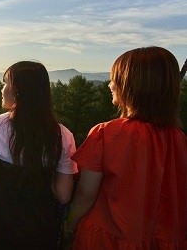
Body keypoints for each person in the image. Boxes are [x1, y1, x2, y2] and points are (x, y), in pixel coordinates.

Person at [64, 46, 187, 249]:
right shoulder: (179, 139)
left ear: (131, 85)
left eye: (115, 78)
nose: (111, 84)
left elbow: (86, 194)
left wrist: (67, 227)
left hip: (109, 241)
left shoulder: (106, 133)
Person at [0, 61, 78, 249]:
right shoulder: (63, 136)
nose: (1, 88)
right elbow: (63, 195)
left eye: (6, 83)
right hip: (42, 231)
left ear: (19, 91)